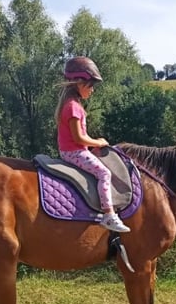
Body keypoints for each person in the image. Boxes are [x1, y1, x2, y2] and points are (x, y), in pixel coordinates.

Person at [55, 56, 131, 233]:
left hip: (71, 150)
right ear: (80, 83)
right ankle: (109, 215)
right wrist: (98, 142)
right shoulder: (73, 107)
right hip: (74, 152)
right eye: (91, 85)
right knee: (104, 173)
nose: (92, 91)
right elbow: (79, 138)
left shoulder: (71, 104)